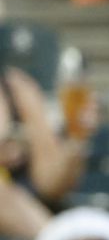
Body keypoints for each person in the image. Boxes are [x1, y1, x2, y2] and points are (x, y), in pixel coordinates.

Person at [0, 62, 99, 208]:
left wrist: (77, 138)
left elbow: (49, 184)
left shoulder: (19, 90)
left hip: (28, 213)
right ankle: (57, 231)